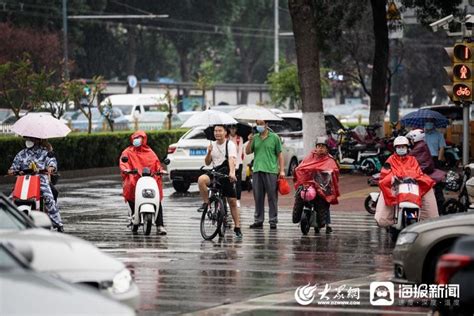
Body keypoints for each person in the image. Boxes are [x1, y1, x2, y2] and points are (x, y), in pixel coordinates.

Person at [374, 136, 439, 227]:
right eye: (399, 147)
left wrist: (411, 177)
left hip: (411, 187)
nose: (401, 149)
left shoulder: (412, 159)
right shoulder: (390, 160)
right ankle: (387, 220)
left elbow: (418, 172)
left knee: (428, 187)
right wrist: (393, 178)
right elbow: (385, 174)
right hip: (395, 186)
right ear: (395, 148)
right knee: (384, 193)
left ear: (407, 148)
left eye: (403, 147)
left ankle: (428, 219)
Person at [8, 136, 64, 232]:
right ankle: (8, 222)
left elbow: (52, 162)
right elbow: (13, 167)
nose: (29, 140)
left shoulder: (45, 153)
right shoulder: (21, 154)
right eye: (28, 138)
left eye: (32, 138)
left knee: (49, 198)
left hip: (40, 181)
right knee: (9, 200)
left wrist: (51, 167)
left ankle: (58, 223)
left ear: (38, 139)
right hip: (23, 182)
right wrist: (12, 171)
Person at [197, 125, 242, 239]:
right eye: (215, 131)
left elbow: (232, 159)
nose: (217, 133)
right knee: (201, 180)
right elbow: (207, 163)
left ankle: (237, 227)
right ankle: (207, 203)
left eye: (219, 131)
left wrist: (232, 173)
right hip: (215, 172)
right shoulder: (212, 145)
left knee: (232, 201)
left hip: (226, 173)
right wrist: (209, 152)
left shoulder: (230, 144)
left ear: (225, 132)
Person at [119, 130, 167, 235]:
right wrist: (126, 169)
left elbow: (157, 164)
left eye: (139, 138)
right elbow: (123, 162)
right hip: (134, 179)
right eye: (135, 138)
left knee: (156, 199)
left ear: (144, 139)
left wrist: (160, 170)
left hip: (149, 179)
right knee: (130, 189)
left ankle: (160, 225)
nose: (137, 140)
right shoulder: (128, 152)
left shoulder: (150, 152)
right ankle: (133, 214)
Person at [292, 137, 340, 233]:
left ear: (327, 148)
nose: (320, 148)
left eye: (323, 146)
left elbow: (334, 171)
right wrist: (297, 170)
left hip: (323, 186)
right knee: (299, 195)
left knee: (324, 200)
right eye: (318, 146)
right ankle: (296, 217)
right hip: (309, 185)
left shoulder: (329, 160)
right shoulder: (310, 156)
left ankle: (326, 223)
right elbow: (302, 166)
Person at [246, 120, 285, 229]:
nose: (259, 126)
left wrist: (281, 170)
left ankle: (273, 220)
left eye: (261, 123)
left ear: (266, 125)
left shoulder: (274, 137)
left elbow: (280, 155)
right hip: (257, 170)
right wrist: (249, 141)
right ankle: (258, 220)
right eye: (257, 124)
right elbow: (248, 151)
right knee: (258, 197)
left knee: (272, 197)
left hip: (271, 171)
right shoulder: (255, 137)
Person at [406, 129, 446, 215]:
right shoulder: (420, 145)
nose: (410, 141)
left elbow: (410, 158)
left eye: (411, 139)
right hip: (425, 171)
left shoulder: (419, 147)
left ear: (415, 138)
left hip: (424, 172)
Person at [228, 124, 244, 208]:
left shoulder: (239, 139)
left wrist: (236, 165)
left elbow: (240, 151)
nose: (232, 130)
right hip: (229, 163)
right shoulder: (226, 138)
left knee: (238, 183)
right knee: (228, 182)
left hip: (238, 163)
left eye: (234, 128)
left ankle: (238, 199)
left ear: (236, 129)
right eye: (231, 128)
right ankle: (229, 199)